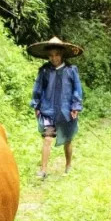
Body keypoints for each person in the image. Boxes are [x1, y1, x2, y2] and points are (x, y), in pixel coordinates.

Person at [28, 36, 84, 179]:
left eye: (57, 55)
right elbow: (38, 89)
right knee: (47, 138)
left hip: (66, 111)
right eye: (51, 56)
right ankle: (43, 170)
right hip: (48, 111)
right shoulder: (44, 71)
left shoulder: (71, 70)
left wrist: (75, 107)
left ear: (62, 54)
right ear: (48, 56)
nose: (54, 58)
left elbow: (77, 90)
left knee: (67, 140)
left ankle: (68, 165)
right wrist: (36, 105)